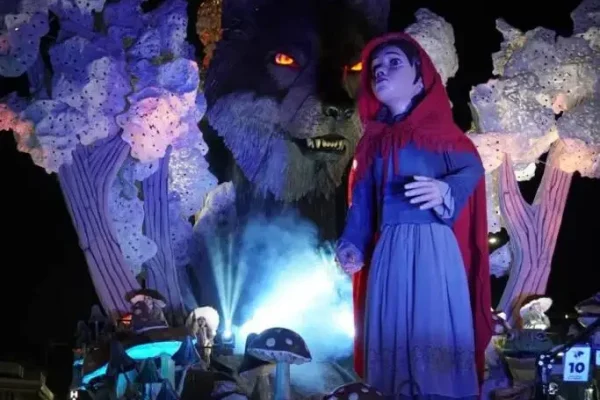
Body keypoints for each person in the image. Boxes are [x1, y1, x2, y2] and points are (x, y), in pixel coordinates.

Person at [336, 32, 493, 399]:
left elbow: (471, 169)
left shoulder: (442, 134)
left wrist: (445, 190)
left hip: (433, 247)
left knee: (429, 319)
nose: (381, 70)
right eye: (376, 66)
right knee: (391, 323)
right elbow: (363, 200)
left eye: (394, 62)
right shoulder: (373, 143)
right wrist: (352, 242)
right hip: (390, 247)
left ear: (420, 79)